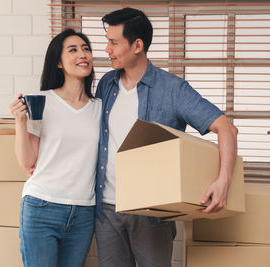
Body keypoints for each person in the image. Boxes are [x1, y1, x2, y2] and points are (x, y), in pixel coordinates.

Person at [95, 8, 238, 267]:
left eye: (114, 42)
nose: (107, 49)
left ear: (137, 45)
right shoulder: (106, 84)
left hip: (151, 212)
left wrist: (223, 180)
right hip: (106, 208)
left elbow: (226, 128)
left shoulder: (173, 89)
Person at [9, 29, 101, 267]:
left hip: (83, 212)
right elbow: (27, 161)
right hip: (42, 206)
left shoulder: (100, 108)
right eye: (73, 50)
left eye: (86, 49)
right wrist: (20, 122)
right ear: (58, 63)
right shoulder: (41, 101)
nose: (83, 54)